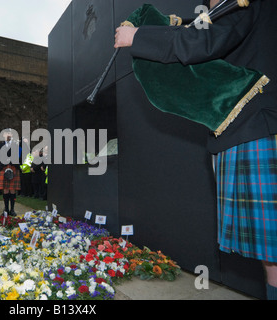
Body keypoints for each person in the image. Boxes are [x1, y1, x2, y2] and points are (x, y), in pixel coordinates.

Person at [114, 0, 277, 300]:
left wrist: (137, 37)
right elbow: (207, 26)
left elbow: (203, 40)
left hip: (258, 130)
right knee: (272, 255)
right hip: (254, 129)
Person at [0, 129, 21, 216]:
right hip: (3, 167)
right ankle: (6, 209)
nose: (8, 135)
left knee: (12, 190)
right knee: (5, 190)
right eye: (7, 134)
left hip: (13, 167)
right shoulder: (0, 145)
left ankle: (12, 209)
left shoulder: (16, 145)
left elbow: (19, 156)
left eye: (10, 134)